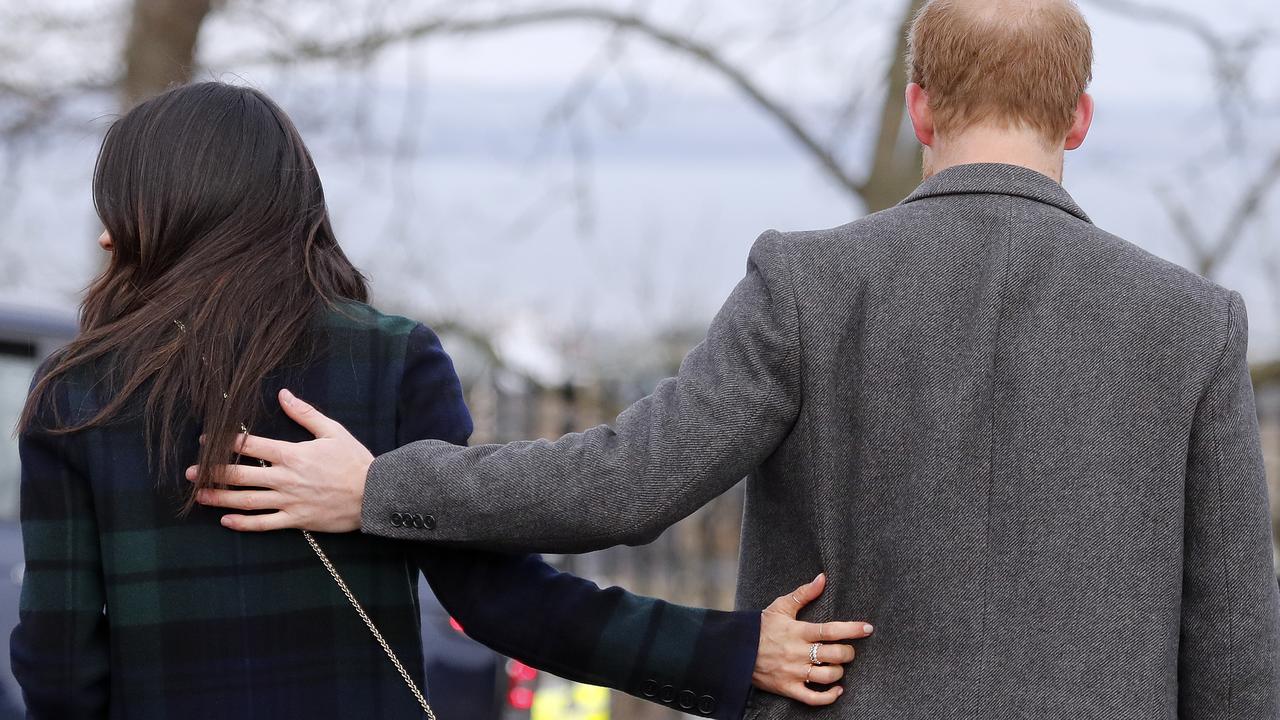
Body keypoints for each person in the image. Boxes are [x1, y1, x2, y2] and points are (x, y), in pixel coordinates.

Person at [198, 0, 1280, 716]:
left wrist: (382, 485)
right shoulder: (1194, 324)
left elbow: (623, 483)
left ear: (918, 109)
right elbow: (1236, 649)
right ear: (1078, 117)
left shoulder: (809, 282)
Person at [12, 81, 876, 720]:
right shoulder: (388, 361)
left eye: (118, 208)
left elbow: (56, 668)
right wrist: (731, 652)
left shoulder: (79, 396)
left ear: (166, 213)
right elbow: (504, 602)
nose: (104, 233)